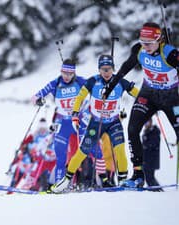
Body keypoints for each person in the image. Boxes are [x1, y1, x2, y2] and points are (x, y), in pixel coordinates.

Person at [102, 22, 179, 187]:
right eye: (143, 42)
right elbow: (124, 69)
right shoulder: (139, 51)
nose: (146, 46)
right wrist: (109, 87)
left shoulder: (170, 54)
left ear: (159, 39)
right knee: (132, 129)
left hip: (170, 97)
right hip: (148, 95)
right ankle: (137, 174)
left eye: (149, 43)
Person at [51, 54, 139, 193]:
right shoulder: (93, 82)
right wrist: (75, 114)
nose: (106, 73)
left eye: (109, 69)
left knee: (120, 150)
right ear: (99, 70)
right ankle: (66, 180)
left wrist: (147, 98)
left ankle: (123, 180)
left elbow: (136, 93)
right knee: (82, 152)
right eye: (103, 69)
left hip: (114, 122)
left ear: (113, 68)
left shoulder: (120, 81)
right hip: (96, 123)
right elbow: (80, 97)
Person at [32, 59, 86, 185]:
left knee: (80, 155)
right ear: (61, 71)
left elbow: (98, 87)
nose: (66, 76)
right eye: (64, 73)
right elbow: (35, 97)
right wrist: (38, 100)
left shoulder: (81, 81)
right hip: (62, 124)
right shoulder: (55, 83)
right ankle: (59, 184)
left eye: (70, 74)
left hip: (78, 122)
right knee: (61, 157)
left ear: (74, 73)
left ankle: (80, 183)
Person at [142, 118, 162, 190]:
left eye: (147, 122)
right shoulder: (145, 131)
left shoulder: (155, 131)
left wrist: (145, 146)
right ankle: (157, 190)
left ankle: (157, 190)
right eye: (145, 123)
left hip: (152, 159)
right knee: (148, 178)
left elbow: (154, 143)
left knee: (150, 178)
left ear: (151, 122)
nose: (146, 125)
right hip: (146, 159)